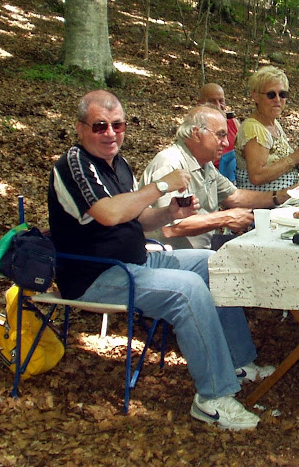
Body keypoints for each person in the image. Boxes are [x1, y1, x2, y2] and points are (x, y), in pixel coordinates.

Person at [48, 90, 273, 430]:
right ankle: (212, 398)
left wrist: (168, 212)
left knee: (217, 264)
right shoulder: (74, 164)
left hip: (137, 261)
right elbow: (108, 214)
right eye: (100, 126)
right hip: (95, 275)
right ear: (81, 129)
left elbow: (136, 220)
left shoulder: (117, 164)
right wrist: (159, 188)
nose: (111, 133)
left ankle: (238, 362)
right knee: (188, 291)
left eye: (118, 125)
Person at [141, 105, 293, 250]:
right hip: (173, 253)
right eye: (220, 135)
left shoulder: (205, 164)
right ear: (196, 133)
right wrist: (225, 218)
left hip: (206, 245)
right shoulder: (170, 163)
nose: (226, 143)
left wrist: (283, 196)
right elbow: (172, 228)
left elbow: (235, 196)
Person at [234, 66, 299, 191]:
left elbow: (279, 166)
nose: (277, 100)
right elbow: (257, 176)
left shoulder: (274, 124)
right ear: (256, 96)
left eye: (282, 94)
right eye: (271, 95)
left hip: (285, 197)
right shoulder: (254, 129)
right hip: (265, 204)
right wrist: (293, 159)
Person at [198, 83, 239, 175]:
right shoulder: (196, 130)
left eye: (221, 101)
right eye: (211, 101)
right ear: (200, 103)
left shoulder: (233, 124)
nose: (217, 105)